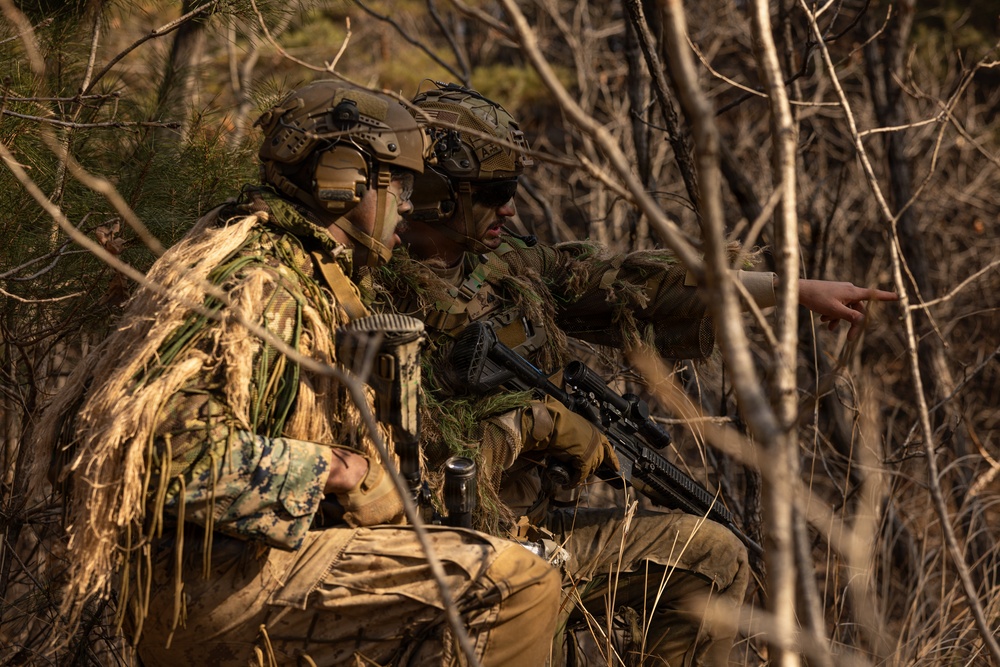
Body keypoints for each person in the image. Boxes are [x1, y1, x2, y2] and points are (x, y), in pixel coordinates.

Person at [36, 80, 560, 667]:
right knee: (518, 583)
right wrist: (343, 472)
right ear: (345, 179)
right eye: (402, 184)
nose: (410, 205)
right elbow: (161, 449)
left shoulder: (286, 261)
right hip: (215, 590)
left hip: (229, 575)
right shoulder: (261, 281)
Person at [382, 82, 898, 665]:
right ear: (437, 193)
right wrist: (540, 426)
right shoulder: (381, 302)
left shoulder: (508, 267)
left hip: (539, 524)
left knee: (713, 555)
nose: (512, 209)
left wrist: (790, 291)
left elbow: (633, 281)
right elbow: (404, 461)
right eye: (496, 191)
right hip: (459, 548)